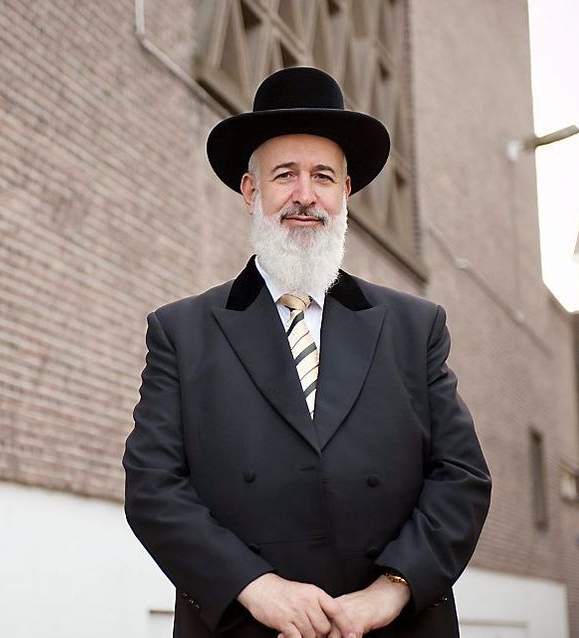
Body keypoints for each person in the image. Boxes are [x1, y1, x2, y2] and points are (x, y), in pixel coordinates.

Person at [123, 66, 491, 638]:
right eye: (284, 175)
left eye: (322, 176)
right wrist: (255, 587)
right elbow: (152, 486)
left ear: (345, 192)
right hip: (244, 626)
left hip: (396, 626)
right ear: (252, 191)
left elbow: (461, 475)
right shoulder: (180, 331)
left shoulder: (415, 327)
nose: (304, 195)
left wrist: (390, 591)